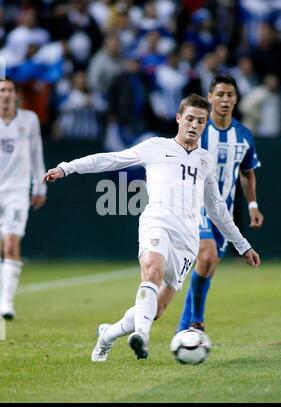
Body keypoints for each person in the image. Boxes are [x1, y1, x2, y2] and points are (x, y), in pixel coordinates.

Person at [43, 94, 260, 362]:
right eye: (190, 118)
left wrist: (243, 245)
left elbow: (217, 209)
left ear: (205, 125)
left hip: (187, 239)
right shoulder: (155, 147)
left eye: (200, 121)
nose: (194, 125)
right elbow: (109, 159)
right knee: (152, 271)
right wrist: (67, 168)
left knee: (156, 308)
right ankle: (142, 337)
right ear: (179, 118)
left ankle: (107, 335)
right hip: (157, 221)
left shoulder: (206, 161)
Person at [177, 75, 264, 334]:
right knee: (207, 255)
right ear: (210, 96)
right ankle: (196, 324)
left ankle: (183, 331)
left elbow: (248, 172)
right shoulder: (198, 130)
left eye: (230, 95)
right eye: (220, 94)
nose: (225, 99)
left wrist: (252, 205)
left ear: (236, 99)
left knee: (207, 267)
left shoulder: (243, 135)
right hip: (195, 207)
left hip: (222, 213)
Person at [0, 78, 47, 319]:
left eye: (9, 90)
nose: (6, 95)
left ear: (16, 95)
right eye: (2, 91)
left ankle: (6, 304)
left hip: (17, 191)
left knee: (10, 244)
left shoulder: (29, 120)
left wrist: (39, 187)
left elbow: (36, 152)